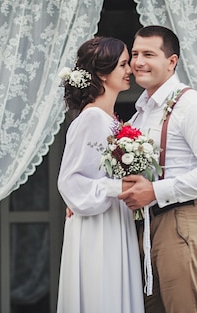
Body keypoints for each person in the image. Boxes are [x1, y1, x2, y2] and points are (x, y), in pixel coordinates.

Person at [119, 25, 197, 313]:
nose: (138, 62)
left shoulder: (192, 105)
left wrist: (156, 191)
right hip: (147, 226)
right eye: (134, 54)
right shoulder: (140, 114)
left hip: (184, 220)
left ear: (172, 62)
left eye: (148, 54)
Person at [56, 36, 145, 313]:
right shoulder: (92, 118)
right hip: (97, 226)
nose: (130, 69)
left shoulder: (112, 120)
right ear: (103, 74)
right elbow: (70, 181)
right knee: (102, 293)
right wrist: (115, 187)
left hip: (114, 219)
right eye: (123, 64)